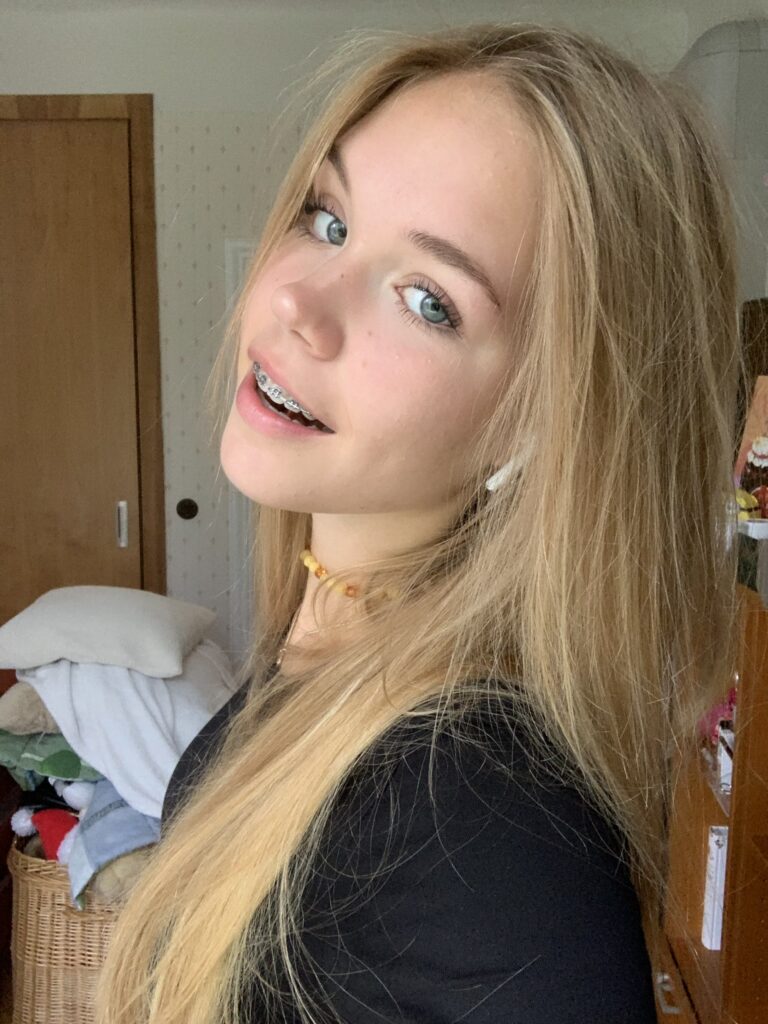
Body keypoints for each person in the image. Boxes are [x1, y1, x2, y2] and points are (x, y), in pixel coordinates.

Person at [95, 21, 745, 1024]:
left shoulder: (480, 819)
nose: (300, 304)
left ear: (547, 418)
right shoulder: (332, 646)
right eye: (328, 219)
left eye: (428, 300)